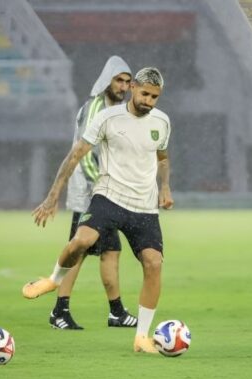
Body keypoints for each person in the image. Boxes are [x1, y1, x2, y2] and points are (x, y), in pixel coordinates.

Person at [22, 67, 173, 354]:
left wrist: (165, 187)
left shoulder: (162, 122)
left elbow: (163, 158)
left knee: (154, 264)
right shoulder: (106, 118)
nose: (149, 101)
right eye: (144, 94)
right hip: (108, 197)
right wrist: (53, 196)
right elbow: (75, 154)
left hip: (144, 207)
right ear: (133, 89)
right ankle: (52, 280)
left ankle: (141, 337)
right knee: (82, 240)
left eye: (154, 97)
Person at [49, 55, 137, 330]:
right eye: (118, 80)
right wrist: (99, 186)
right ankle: (60, 311)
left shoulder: (116, 108)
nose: (123, 87)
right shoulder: (97, 107)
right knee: (81, 249)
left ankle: (115, 312)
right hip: (91, 191)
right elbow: (84, 153)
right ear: (107, 80)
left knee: (110, 249)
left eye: (126, 82)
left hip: (103, 191)